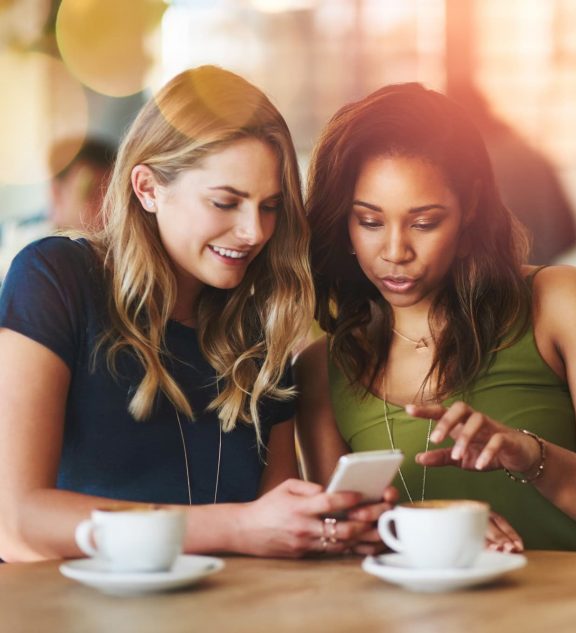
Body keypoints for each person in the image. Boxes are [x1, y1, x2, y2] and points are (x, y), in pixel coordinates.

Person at [0, 65, 390, 562]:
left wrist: (326, 526)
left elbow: (270, 531)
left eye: (270, 206)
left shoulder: (259, 328)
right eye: (225, 202)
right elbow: (15, 520)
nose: (254, 231)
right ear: (147, 188)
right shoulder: (56, 279)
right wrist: (236, 527)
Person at [296, 83, 576, 555]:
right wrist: (413, 528)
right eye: (369, 222)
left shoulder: (560, 302)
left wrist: (531, 456)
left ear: (470, 209)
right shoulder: (323, 369)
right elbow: (344, 542)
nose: (395, 252)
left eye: (425, 222)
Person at [447, 81, 576, 265]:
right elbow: (571, 235)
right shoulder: (531, 155)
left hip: (498, 280)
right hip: (541, 276)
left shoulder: (472, 165)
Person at [0, 137, 116, 280]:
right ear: (56, 193)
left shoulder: (121, 248)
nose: (106, 204)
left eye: (111, 193)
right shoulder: (12, 242)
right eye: (91, 192)